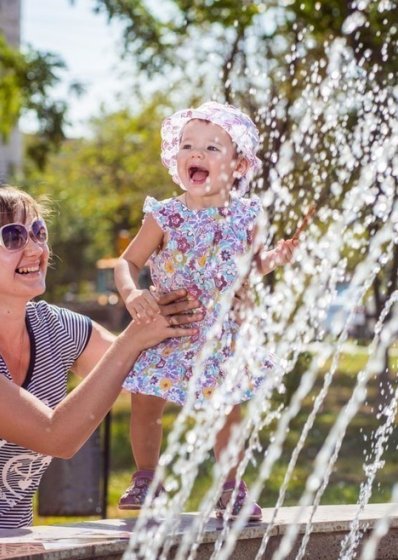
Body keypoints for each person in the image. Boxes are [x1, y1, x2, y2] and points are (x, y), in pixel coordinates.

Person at [0, 185, 204, 546]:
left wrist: (206, 303)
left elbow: (144, 375)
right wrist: (133, 338)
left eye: (39, 232)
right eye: (12, 237)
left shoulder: (58, 327)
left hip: (6, 544)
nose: (36, 248)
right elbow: (54, 436)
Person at [113, 101, 297, 521]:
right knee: (145, 402)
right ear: (174, 158)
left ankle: (231, 487)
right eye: (188, 145)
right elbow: (128, 262)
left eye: (213, 148)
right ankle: (146, 479)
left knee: (227, 411)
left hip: (220, 332)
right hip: (171, 326)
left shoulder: (246, 215)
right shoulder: (165, 216)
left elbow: (248, 270)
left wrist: (274, 259)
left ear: (237, 165)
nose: (197, 153)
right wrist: (131, 293)